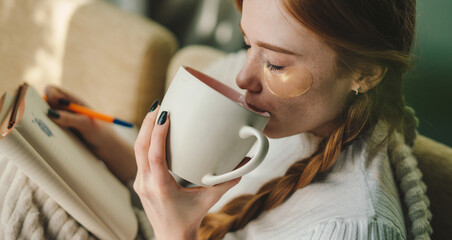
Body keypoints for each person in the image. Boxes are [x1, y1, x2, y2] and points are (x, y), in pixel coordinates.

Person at [46, 0, 432, 239]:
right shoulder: (267, 109)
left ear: (365, 73)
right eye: (248, 42)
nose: (242, 79)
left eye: (276, 63)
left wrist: (175, 234)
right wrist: (106, 141)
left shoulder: (352, 228)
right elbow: (186, 186)